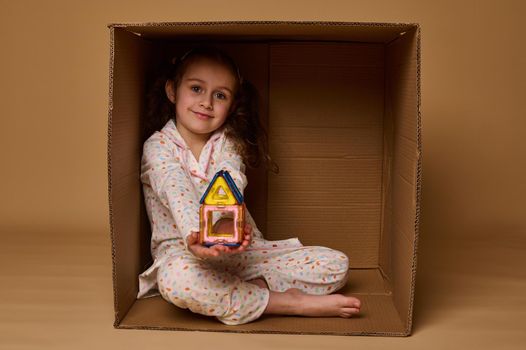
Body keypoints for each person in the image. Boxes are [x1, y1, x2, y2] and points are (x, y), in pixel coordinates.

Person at [137, 46, 361, 325]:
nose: (206, 102)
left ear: (231, 106)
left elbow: (230, 176)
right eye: (196, 89)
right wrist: (197, 236)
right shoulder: (158, 146)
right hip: (186, 255)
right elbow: (174, 185)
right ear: (172, 91)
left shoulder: (228, 142)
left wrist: (225, 231)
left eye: (220, 95)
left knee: (336, 265)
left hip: (241, 256)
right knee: (176, 281)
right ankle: (286, 303)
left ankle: (241, 290)